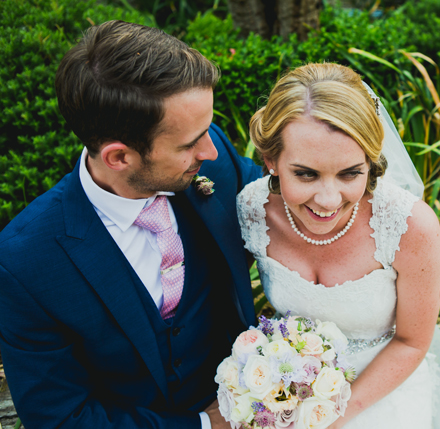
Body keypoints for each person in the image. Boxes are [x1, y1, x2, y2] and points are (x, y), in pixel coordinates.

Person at [0, 21, 262, 428]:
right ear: (119, 158)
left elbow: (281, 203)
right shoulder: (25, 262)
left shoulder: (215, 161)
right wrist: (205, 425)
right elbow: (61, 418)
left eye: (207, 129)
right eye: (189, 143)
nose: (210, 150)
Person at [236, 63, 440, 428]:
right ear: (271, 161)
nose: (327, 199)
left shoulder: (408, 226)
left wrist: (333, 417)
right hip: (288, 393)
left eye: (350, 173)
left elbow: (412, 343)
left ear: (371, 163)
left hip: (385, 389)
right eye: (306, 173)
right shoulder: (252, 210)